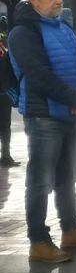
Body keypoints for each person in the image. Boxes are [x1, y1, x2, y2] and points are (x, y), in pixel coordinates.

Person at [7, 0, 76, 263]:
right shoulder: (22, 33)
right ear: (33, 0)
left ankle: (71, 230)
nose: (59, 0)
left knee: (67, 176)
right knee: (40, 181)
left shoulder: (63, 26)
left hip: (70, 114)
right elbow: (39, 76)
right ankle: (39, 242)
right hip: (44, 116)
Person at [0, 14, 18, 167]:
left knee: (5, 125)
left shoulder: (3, 44)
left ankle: (5, 155)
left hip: (3, 91)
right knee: (5, 125)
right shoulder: (3, 45)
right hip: (4, 91)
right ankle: (5, 156)